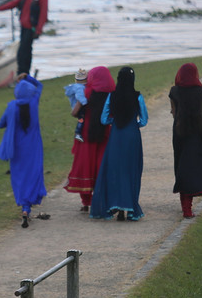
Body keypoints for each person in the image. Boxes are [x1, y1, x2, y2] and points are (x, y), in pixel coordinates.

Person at [90, 66, 148, 221]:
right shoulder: (138, 97)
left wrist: (114, 122)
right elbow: (144, 120)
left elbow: (103, 119)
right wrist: (134, 125)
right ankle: (130, 208)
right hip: (132, 136)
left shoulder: (112, 96)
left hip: (116, 136)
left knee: (116, 169)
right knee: (131, 169)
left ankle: (115, 205)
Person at [0, 73, 47, 228]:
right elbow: (40, 86)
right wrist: (28, 78)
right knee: (33, 174)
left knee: (19, 177)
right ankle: (28, 207)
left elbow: (1, 124)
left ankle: (24, 207)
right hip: (34, 146)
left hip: (17, 148)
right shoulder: (34, 102)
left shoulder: (12, 106)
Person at [64, 66, 115, 211]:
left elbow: (75, 113)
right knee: (101, 163)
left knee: (84, 163)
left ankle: (86, 201)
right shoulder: (112, 94)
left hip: (86, 133)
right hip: (105, 132)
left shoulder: (86, 92)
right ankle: (103, 198)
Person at [169, 63, 202, 218]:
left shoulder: (174, 91)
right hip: (196, 132)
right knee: (193, 166)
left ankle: (185, 206)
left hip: (179, 132)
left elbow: (174, 113)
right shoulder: (200, 90)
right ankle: (189, 206)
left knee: (181, 165)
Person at [0, 0, 48, 75]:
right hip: (24, 27)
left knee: (23, 52)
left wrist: (38, 30)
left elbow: (43, 14)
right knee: (24, 51)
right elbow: (13, 3)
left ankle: (23, 72)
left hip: (31, 29)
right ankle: (23, 73)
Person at [63, 68, 88, 142]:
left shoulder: (75, 86)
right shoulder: (79, 88)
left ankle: (78, 132)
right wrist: (85, 102)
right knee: (81, 119)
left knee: (81, 119)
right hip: (79, 107)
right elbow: (80, 96)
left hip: (75, 105)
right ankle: (78, 132)